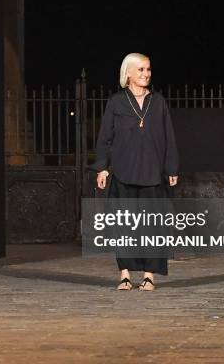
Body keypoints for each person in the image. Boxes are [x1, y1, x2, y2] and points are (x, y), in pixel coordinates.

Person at [92, 52, 179, 291]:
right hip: (123, 172)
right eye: (140, 69)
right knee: (125, 225)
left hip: (153, 173)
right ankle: (125, 275)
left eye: (148, 69)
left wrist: (171, 167)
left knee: (152, 226)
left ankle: (149, 275)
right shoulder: (116, 102)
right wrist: (102, 168)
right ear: (128, 73)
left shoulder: (158, 101)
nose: (146, 74)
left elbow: (169, 137)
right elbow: (105, 138)